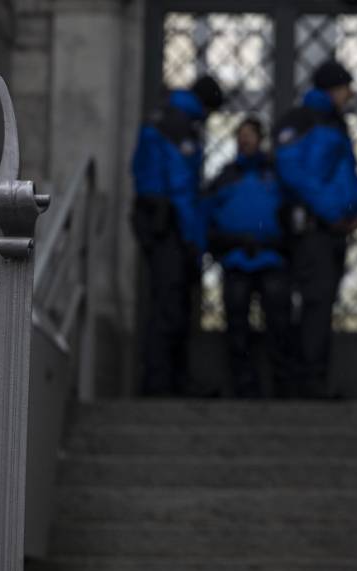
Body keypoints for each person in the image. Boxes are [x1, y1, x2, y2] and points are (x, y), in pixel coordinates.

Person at [274, 59, 357, 398]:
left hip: (332, 230)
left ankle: (313, 378)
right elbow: (295, 174)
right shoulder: (300, 122)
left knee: (322, 303)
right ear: (331, 89)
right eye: (345, 88)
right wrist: (332, 213)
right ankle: (305, 381)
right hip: (313, 230)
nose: (350, 95)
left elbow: (347, 174)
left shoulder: (335, 123)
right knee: (314, 303)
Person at [130, 75, 224, 396]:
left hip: (152, 219)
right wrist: (192, 241)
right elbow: (182, 187)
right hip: (169, 225)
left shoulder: (162, 117)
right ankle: (163, 383)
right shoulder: (180, 127)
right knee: (171, 306)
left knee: (165, 301)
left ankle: (163, 380)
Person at [205, 118, 293, 398]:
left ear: (260, 138)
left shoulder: (278, 175)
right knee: (237, 327)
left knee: (279, 325)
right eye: (240, 135)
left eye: (250, 134)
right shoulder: (225, 176)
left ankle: (282, 387)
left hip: (272, 258)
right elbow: (209, 214)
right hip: (235, 259)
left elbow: (291, 214)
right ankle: (242, 387)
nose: (244, 140)